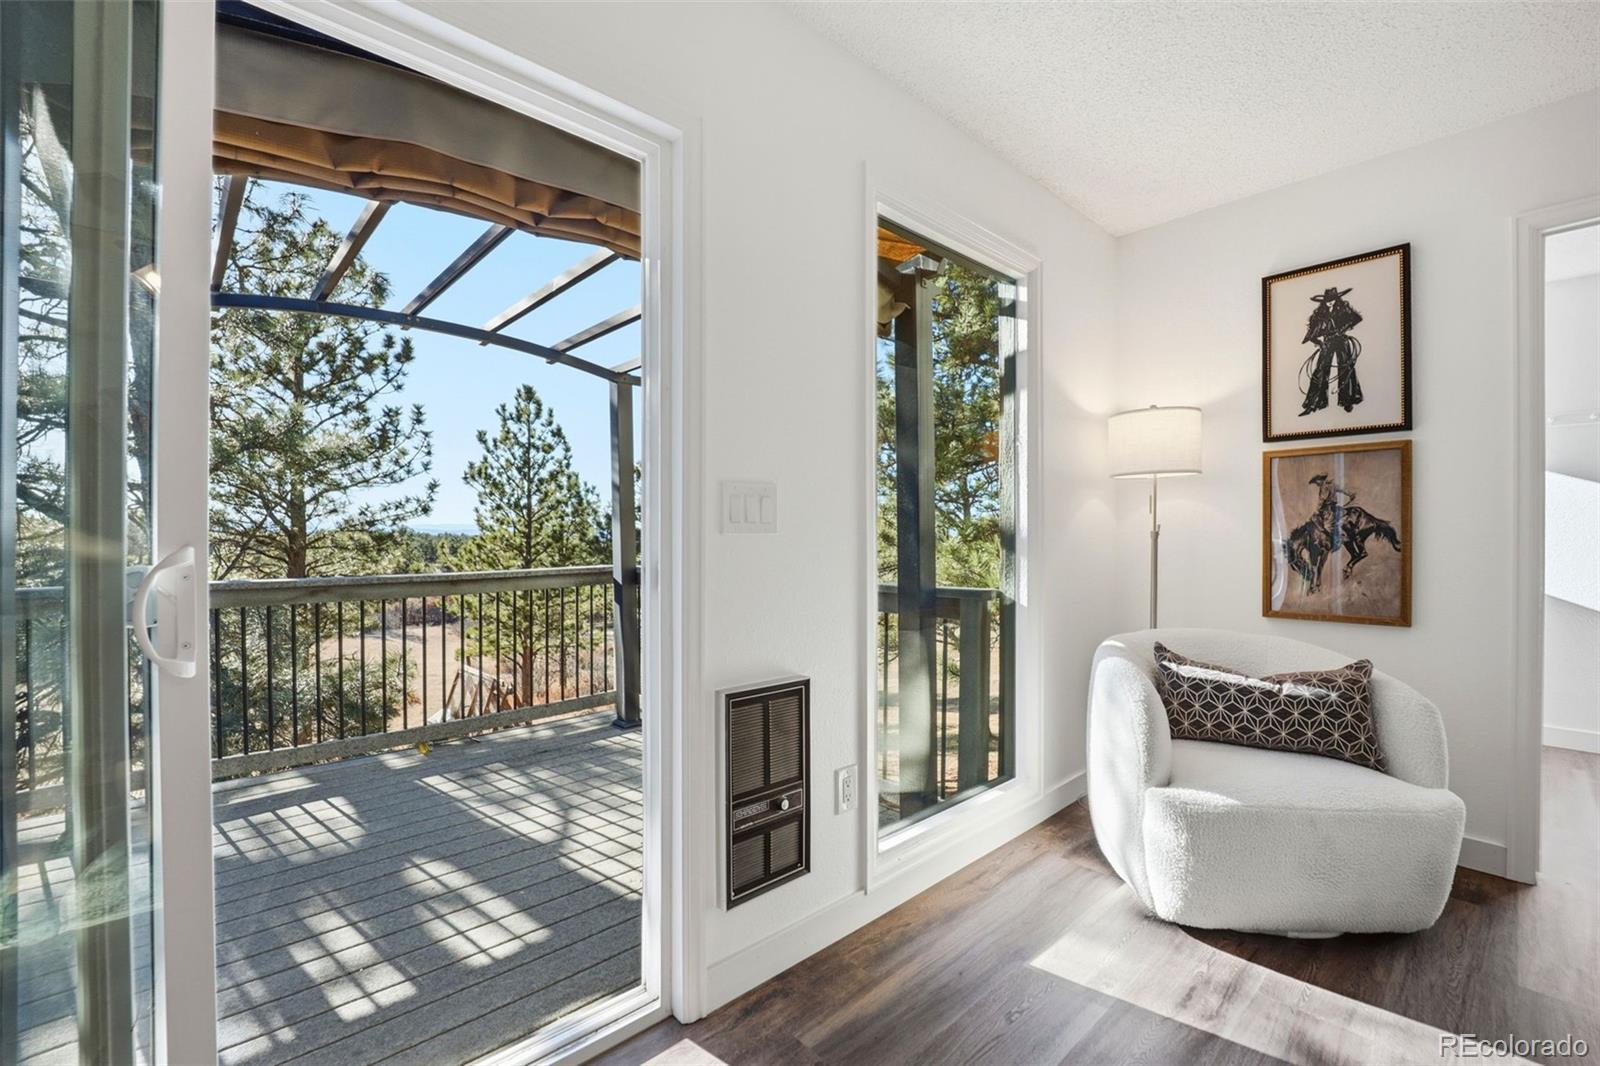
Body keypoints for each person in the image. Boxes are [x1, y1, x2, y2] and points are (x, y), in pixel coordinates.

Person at [1300, 285, 1364, 416]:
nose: (1330, 301)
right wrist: (1319, 342)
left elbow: (1357, 318)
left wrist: (1343, 329)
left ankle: (1348, 400)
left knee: (1345, 367)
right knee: (1320, 370)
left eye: (1332, 299)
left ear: (1336, 299)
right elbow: (1311, 332)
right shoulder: (1320, 313)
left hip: (1341, 340)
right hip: (1327, 342)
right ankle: (1315, 402)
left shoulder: (1343, 308)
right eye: (1328, 299)